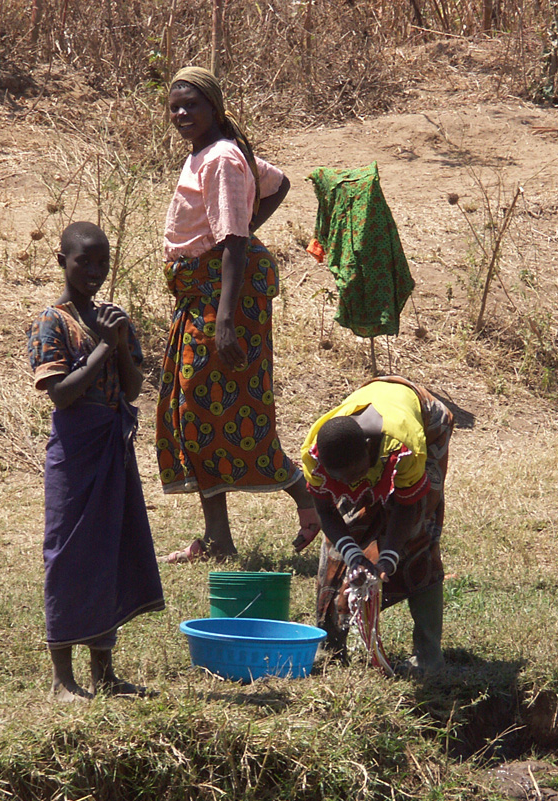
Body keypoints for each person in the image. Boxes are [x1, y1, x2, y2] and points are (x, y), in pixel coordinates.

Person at [156, 66, 320, 562]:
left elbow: (232, 242)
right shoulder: (214, 153)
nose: (182, 114)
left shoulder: (223, 158)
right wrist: (247, 222)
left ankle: (306, 495)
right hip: (203, 295)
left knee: (223, 410)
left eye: (193, 105)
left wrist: (224, 319)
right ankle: (219, 541)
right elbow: (278, 182)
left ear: (215, 109)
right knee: (196, 410)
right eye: (175, 107)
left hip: (222, 300)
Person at [27, 221, 165, 700]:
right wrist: (106, 345)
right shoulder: (52, 321)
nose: (94, 270)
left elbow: (131, 389)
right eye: (84, 260)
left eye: (102, 261)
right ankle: (62, 679)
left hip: (112, 443)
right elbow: (61, 395)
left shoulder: (113, 317)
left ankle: (103, 674)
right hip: (75, 447)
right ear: (61, 260)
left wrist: (120, 339)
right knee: (68, 554)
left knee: (108, 550)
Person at [301, 377, 453, 674]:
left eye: (356, 475)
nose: (350, 485)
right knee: (338, 543)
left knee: (419, 536)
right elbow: (326, 512)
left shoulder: (406, 448)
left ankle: (428, 656)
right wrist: (353, 554)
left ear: (370, 451)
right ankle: (330, 646)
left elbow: (407, 508)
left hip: (425, 419)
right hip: (368, 413)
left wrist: (388, 557)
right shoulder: (315, 455)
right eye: (341, 479)